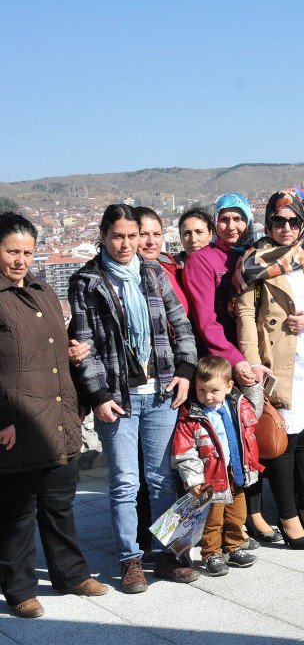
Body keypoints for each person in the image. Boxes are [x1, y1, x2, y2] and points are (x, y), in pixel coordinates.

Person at [68, 204, 199, 592]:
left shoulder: (153, 272)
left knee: (161, 478)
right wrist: (98, 394)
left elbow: (181, 325)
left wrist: (186, 371)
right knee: (126, 482)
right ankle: (130, 559)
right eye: (118, 236)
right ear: (104, 236)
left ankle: (169, 554)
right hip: (119, 397)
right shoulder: (86, 281)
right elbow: (84, 346)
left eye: (133, 236)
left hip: (160, 392)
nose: (127, 244)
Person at [0, 213, 108, 619]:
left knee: (60, 503)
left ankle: (71, 574)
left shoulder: (43, 291)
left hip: (57, 415)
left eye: (27, 252)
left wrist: (73, 352)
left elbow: (52, 351)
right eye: (12, 251)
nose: (20, 260)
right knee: (16, 511)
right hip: (17, 422)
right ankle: (19, 588)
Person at [235, 190, 304, 549]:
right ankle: (288, 514)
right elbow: (245, 313)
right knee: (282, 443)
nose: (287, 228)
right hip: (275, 362)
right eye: (279, 221)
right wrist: (252, 361)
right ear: (268, 223)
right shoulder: (253, 261)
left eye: (294, 221)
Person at [182, 194, 279, 543]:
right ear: (214, 224)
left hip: (251, 358)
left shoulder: (251, 256)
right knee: (219, 451)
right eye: (224, 220)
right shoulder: (202, 261)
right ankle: (213, 534)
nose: (232, 227)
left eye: (238, 219)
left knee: (248, 444)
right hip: (222, 367)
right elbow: (206, 321)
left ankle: (247, 519)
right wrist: (237, 360)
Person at [171, 356, 263, 575]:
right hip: (211, 479)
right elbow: (184, 453)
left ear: (229, 386)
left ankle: (234, 546)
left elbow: (256, 409)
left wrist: (252, 383)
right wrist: (194, 480)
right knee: (212, 519)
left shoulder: (238, 407)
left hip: (237, 472)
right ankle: (211, 552)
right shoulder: (192, 416)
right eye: (201, 390)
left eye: (214, 391)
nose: (207, 397)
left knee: (237, 514)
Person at [136, 207, 188, 313]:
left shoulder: (172, 269)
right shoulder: (128, 278)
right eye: (143, 234)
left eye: (156, 234)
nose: (151, 241)